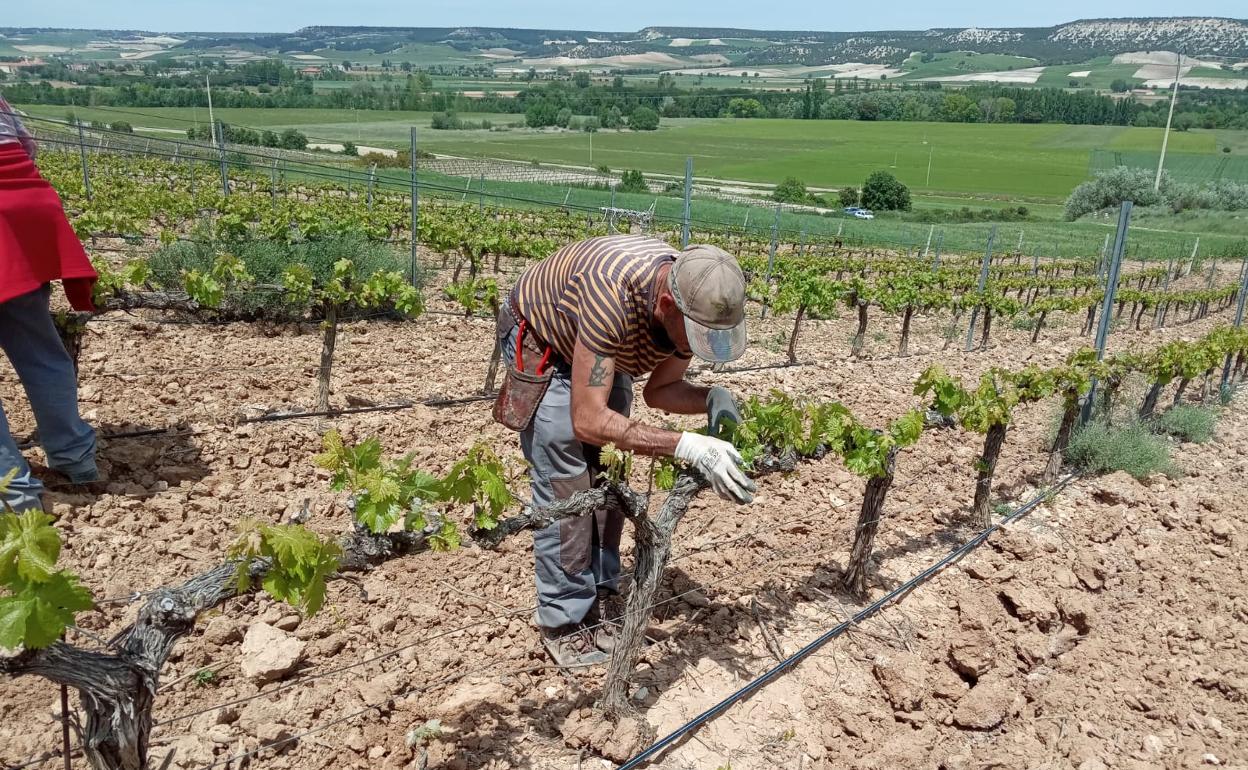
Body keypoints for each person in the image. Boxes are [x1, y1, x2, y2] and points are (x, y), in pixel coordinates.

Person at [496, 234, 756, 667]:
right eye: (693, 336)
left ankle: (601, 593)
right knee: (567, 470)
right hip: (547, 339)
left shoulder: (688, 301)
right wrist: (686, 445)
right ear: (667, 306)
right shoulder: (610, 295)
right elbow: (587, 420)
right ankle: (565, 621)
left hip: (606, 342)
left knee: (609, 469)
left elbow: (662, 390)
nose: (692, 348)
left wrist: (711, 397)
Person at [0, 93, 100, 512]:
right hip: (26, 216)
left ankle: (16, 497)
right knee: (41, 351)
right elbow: (29, 147)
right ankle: (76, 460)